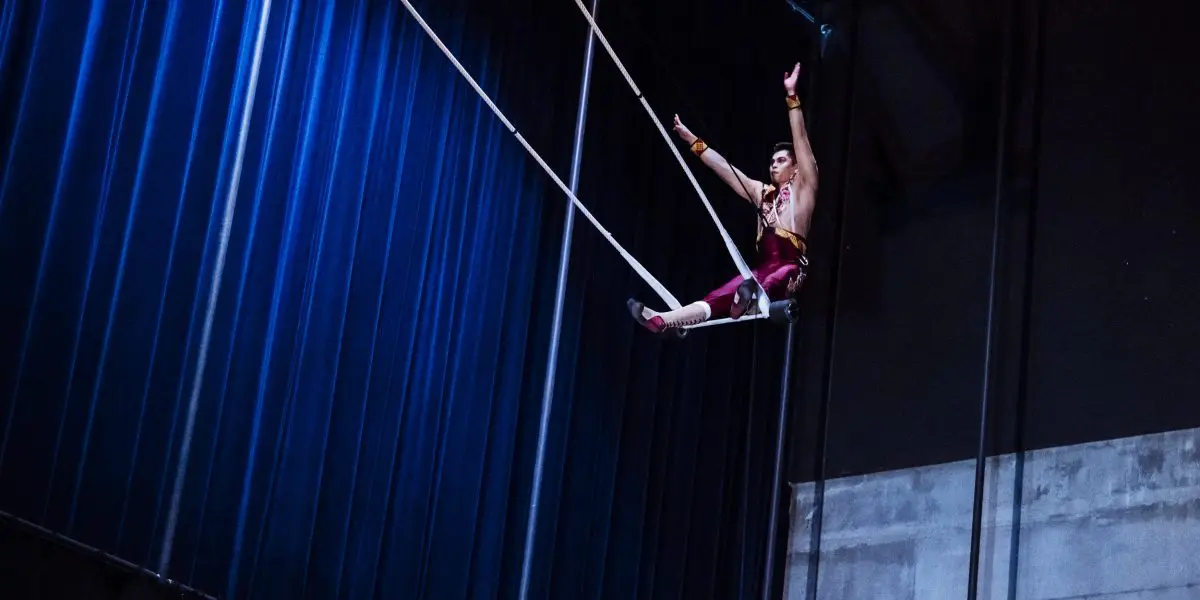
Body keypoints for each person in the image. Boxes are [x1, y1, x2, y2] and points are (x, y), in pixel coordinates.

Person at [629, 62, 818, 334]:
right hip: (759, 274)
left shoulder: (804, 188)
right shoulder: (762, 193)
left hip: (788, 272)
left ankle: (747, 299)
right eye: (771, 161)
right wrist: (691, 139)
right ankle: (662, 320)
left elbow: (800, 141)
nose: (773, 165)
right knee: (718, 297)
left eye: (781, 161)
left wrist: (792, 98)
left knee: (770, 278)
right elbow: (725, 170)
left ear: (796, 166)